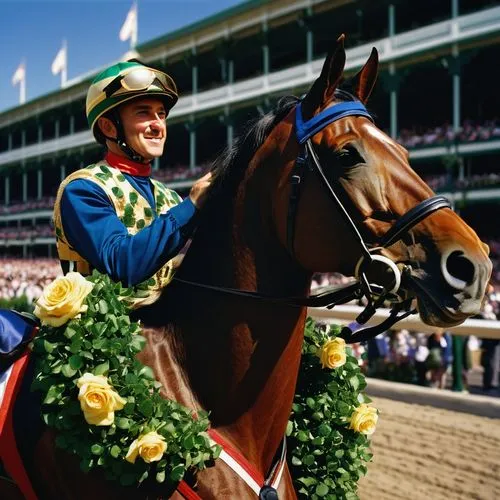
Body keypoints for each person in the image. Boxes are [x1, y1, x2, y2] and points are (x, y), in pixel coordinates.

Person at [52, 60, 212, 304]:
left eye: (161, 114)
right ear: (108, 127)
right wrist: (192, 204)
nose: (158, 125)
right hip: (100, 338)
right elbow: (124, 265)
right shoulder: (83, 189)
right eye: (143, 112)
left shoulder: (169, 196)